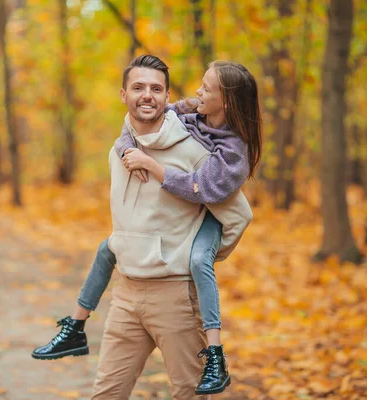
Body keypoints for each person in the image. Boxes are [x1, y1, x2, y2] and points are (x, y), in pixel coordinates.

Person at [33, 55, 262, 397]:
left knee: (190, 394)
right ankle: (74, 327)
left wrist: (196, 257)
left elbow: (238, 215)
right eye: (138, 87)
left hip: (175, 298)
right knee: (105, 394)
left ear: (168, 97)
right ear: (123, 94)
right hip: (125, 295)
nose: (147, 95)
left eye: (156, 89)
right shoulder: (119, 151)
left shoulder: (195, 151)